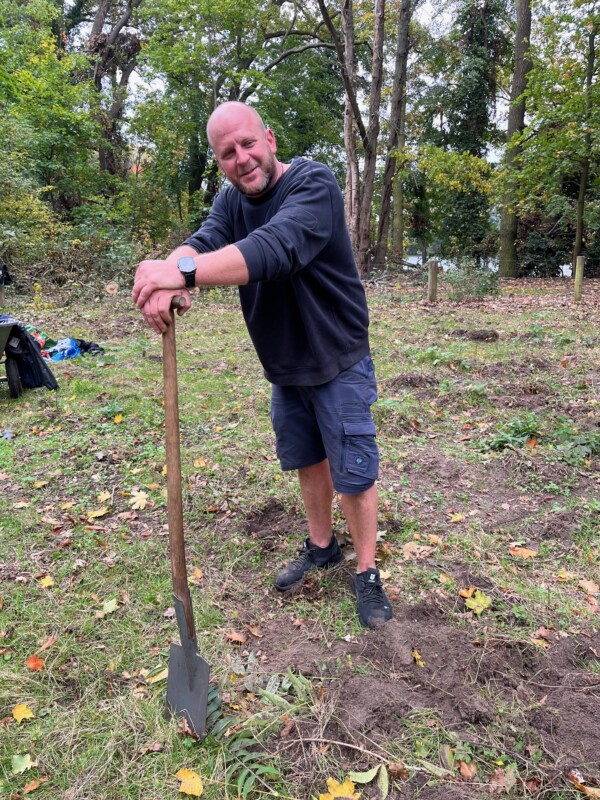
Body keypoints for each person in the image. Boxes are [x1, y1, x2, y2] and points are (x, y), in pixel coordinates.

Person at [132, 102, 392, 629]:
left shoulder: (313, 185)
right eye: (228, 152)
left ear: (269, 139)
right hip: (285, 362)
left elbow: (274, 249)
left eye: (248, 144)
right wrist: (171, 274)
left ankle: (366, 571)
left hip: (337, 356)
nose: (242, 158)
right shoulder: (231, 200)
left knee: (354, 473)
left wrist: (178, 273)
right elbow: (204, 241)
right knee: (306, 459)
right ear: (219, 160)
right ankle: (322, 547)